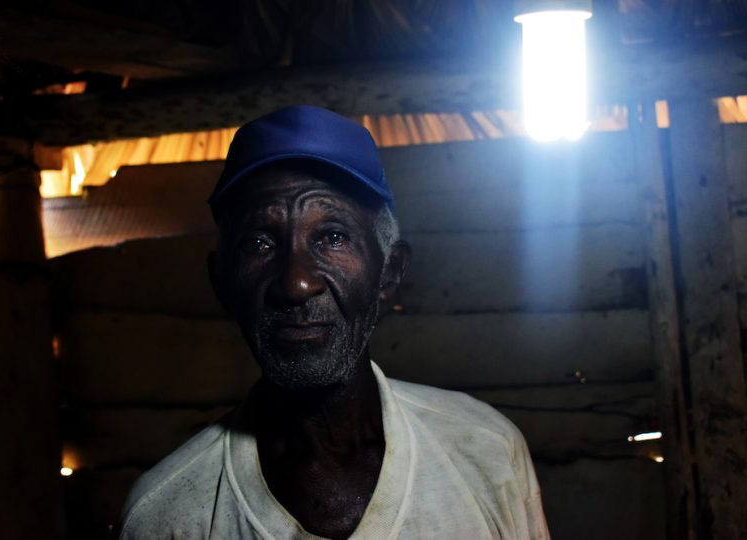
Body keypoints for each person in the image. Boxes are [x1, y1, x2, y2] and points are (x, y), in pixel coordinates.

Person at [118, 105, 550, 539]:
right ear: (221, 282)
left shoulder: (487, 452)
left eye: (333, 238)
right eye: (259, 243)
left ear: (390, 272)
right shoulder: (166, 514)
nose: (296, 283)